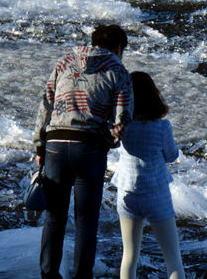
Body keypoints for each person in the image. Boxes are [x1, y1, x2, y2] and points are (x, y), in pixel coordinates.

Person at [33, 24, 133, 279]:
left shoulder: (64, 62)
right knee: (86, 221)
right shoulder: (117, 69)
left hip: (55, 143)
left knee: (54, 217)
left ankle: (48, 274)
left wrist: (39, 146)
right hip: (89, 147)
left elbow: (45, 104)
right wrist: (108, 140)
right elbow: (122, 119)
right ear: (118, 47)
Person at [115, 71, 186, 279]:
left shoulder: (123, 126)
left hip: (127, 192)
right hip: (156, 193)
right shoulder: (162, 126)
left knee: (129, 256)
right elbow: (171, 155)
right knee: (172, 259)